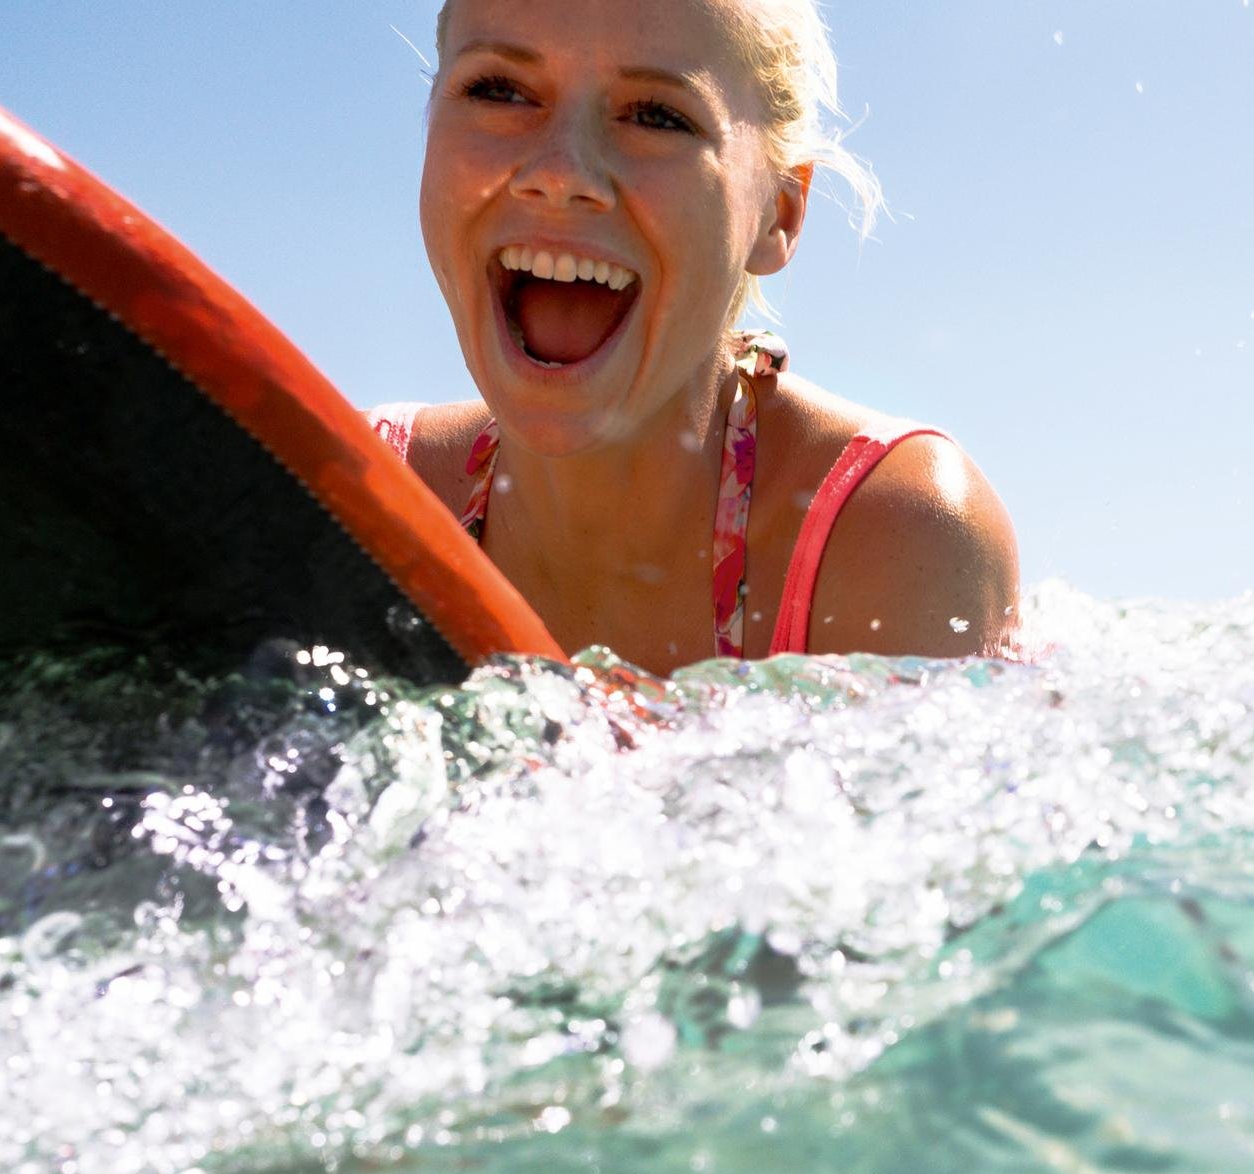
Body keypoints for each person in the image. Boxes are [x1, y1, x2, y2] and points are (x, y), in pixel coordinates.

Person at [369, 0, 1020, 671]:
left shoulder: (890, 536)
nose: (560, 173)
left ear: (779, 214)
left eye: (656, 115)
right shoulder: (345, 497)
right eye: (498, 90)